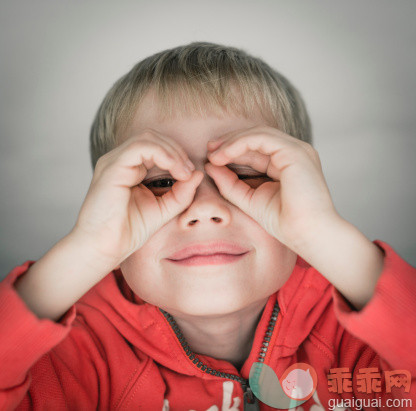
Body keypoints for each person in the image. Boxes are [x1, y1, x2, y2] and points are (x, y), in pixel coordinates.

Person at [0, 42, 415, 411]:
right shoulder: (76, 356)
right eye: (160, 183)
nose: (205, 210)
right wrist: (86, 251)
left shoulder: (359, 345)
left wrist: (324, 235)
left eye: (246, 175)